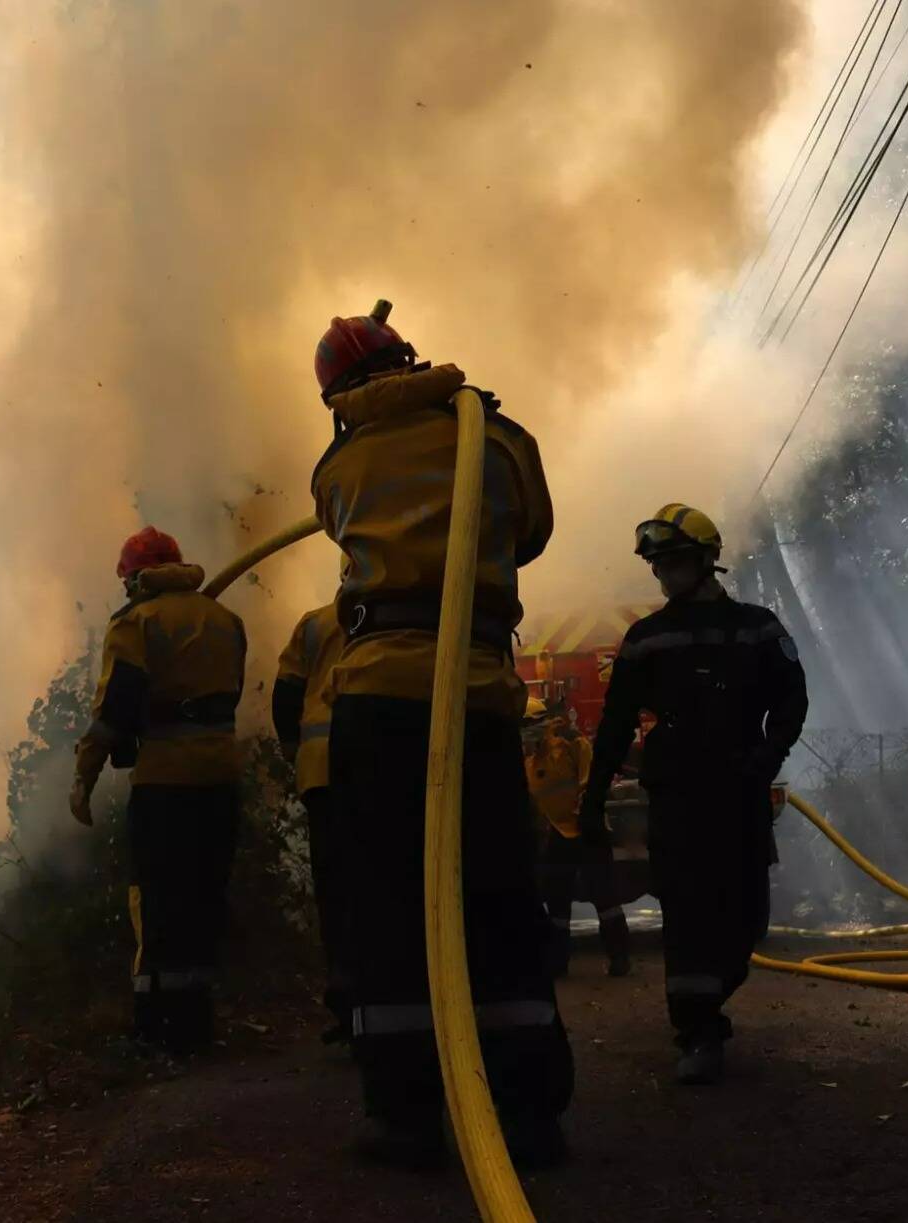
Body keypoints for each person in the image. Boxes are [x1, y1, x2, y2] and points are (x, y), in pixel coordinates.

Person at [311, 300, 573, 1167]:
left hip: (377, 695)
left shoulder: (339, 463)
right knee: (495, 886)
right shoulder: (491, 436)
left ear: (338, 391)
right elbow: (529, 532)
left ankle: (406, 1109)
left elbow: (340, 527)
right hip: (473, 689)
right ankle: (525, 1110)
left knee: (386, 900)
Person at [578, 504, 808, 1084]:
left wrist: (765, 759)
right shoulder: (646, 639)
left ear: (708, 560)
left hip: (739, 792)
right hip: (678, 795)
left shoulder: (758, 627)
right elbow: (615, 723)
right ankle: (699, 1031)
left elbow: (791, 701)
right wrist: (593, 793)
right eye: (658, 564)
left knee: (746, 914)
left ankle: (714, 996)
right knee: (684, 910)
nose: (664, 574)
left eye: (674, 561)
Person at [69, 526, 247, 1055]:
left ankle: (155, 1029)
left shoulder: (135, 623)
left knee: (158, 902)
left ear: (136, 578)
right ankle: (197, 1028)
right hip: (221, 777)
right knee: (204, 897)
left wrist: (85, 775)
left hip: (165, 783)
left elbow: (114, 713)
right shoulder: (225, 620)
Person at [272, 595, 352, 1041]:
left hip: (321, 772)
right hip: (385, 767)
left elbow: (286, 694)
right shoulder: (411, 613)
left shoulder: (315, 624)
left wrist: (294, 751)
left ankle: (346, 1002)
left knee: (335, 889)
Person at [522, 697, 633, 978]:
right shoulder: (529, 761)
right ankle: (558, 963)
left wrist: (587, 813)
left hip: (587, 829)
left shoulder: (572, 744)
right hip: (558, 835)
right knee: (557, 903)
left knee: (605, 898)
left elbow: (591, 780)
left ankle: (620, 958)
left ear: (541, 724)